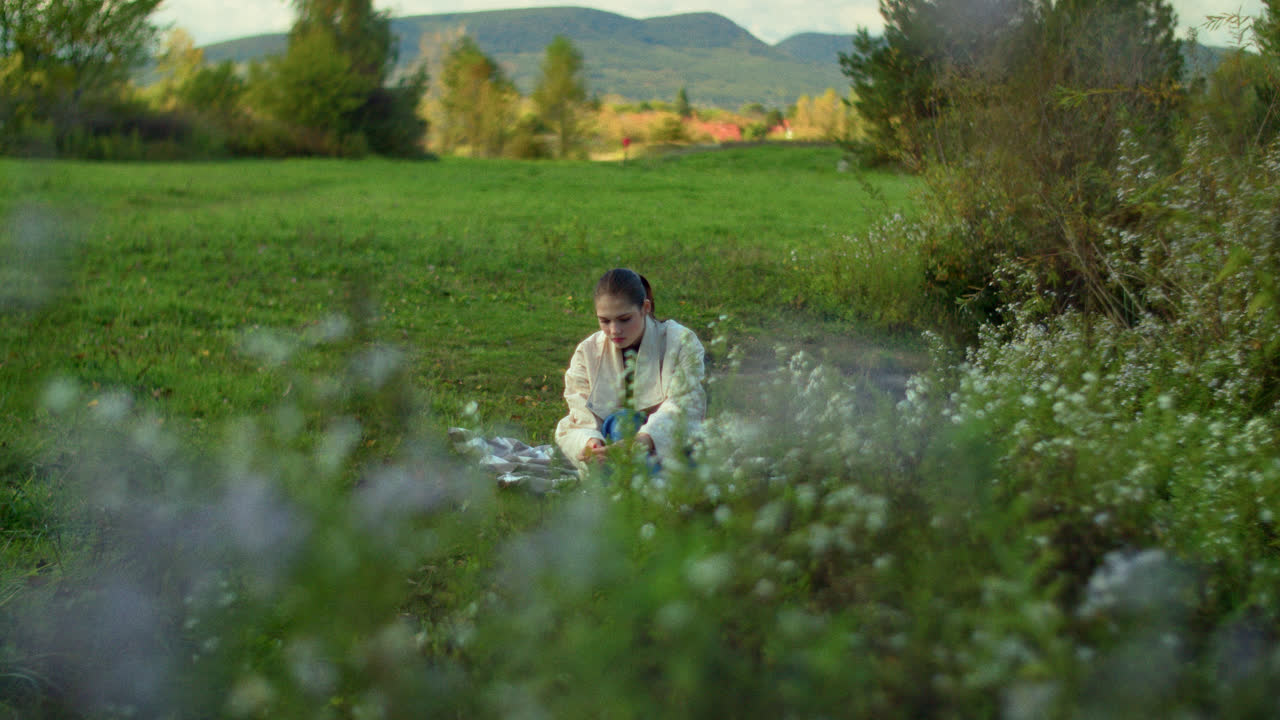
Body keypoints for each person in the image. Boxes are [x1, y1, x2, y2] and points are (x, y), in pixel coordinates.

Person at [555, 268, 706, 476]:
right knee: (619, 423)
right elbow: (581, 414)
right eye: (604, 321)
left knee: (625, 423)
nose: (614, 330)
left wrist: (643, 440)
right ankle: (631, 487)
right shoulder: (587, 351)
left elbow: (683, 405)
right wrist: (593, 446)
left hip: (668, 448)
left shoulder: (680, 342)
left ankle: (631, 488)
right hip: (611, 446)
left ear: (645, 307)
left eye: (624, 319)